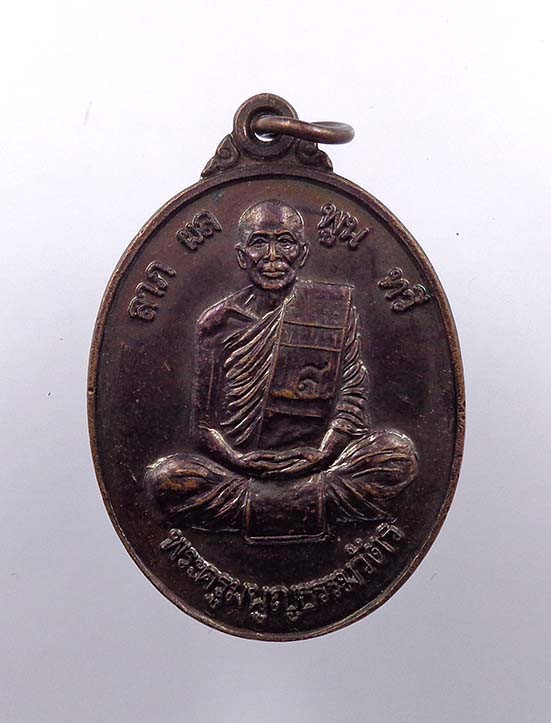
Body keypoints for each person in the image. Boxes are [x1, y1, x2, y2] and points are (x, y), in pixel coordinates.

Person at [145, 200, 417, 542]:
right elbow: (203, 426)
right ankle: (308, 500)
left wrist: (323, 454)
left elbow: (351, 397)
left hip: (320, 463)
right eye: (259, 243)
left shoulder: (333, 308)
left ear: (302, 253)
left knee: (396, 456)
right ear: (242, 256)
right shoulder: (216, 324)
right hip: (240, 471)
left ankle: (264, 504)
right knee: (167, 480)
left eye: (285, 242)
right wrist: (238, 460)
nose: (272, 257)